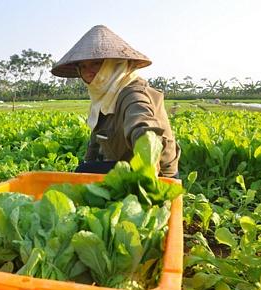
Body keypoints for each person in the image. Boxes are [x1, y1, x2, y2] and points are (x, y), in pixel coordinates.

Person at [50, 25, 180, 178]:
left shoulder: (133, 93)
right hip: (128, 166)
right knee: (84, 171)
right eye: (83, 66)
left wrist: (149, 165)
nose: (88, 71)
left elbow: (143, 126)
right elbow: (96, 141)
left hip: (159, 176)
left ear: (114, 64)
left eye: (96, 63)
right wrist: (85, 172)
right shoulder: (104, 96)